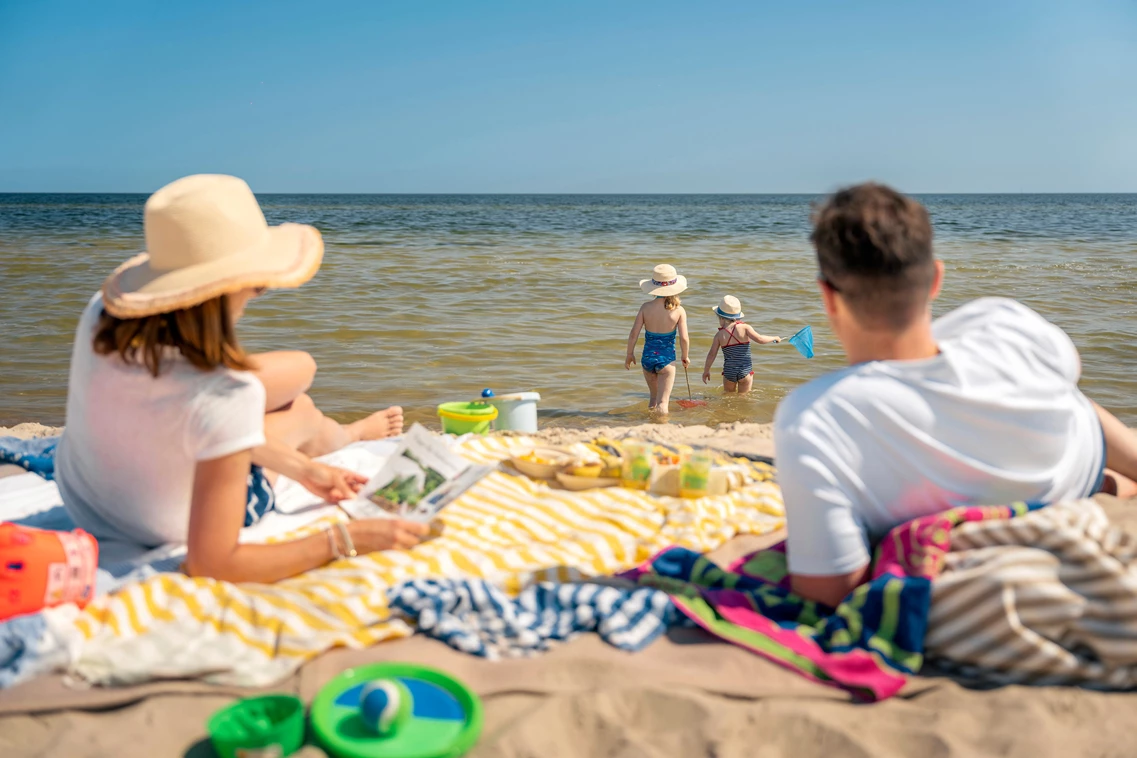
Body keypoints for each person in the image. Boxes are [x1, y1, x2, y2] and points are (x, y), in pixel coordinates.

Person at [773, 182, 1137, 607]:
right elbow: (1067, 376)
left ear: (828, 297)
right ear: (936, 279)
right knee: (1077, 406)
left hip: (1037, 502)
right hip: (1072, 470)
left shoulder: (813, 416)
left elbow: (828, 591)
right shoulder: (1002, 321)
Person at [55, 174, 429, 584]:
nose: (261, 291)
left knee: (281, 398)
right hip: (164, 524)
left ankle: (331, 442)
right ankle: (347, 435)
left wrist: (305, 472)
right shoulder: (224, 395)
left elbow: (185, 418)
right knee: (300, 410)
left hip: (86, 501)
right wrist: (345, 538)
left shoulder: (103, 313)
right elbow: (212, 564)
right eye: (256, 283)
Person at [624, 264, 690, 415]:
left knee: (653, 399)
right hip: (666, 360)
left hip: (647, 359)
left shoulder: (645, 307)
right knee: (663, 402)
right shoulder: (679, 311)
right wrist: (685, 356)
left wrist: (629, 354)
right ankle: (662, 427)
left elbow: (634, 333)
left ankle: (650, 424)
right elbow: (684, 338)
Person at [701, 295, 783, 393]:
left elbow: (711, 354)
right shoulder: (745, 328)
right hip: (745, 370)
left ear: (721, 318)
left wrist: (706, 371)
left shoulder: (719, 335)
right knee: (743, 398)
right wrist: (774, 338)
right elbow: (760, 339)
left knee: (728, 397)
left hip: (729, 372)